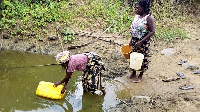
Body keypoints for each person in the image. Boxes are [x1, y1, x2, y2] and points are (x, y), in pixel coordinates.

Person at [128, 0, 155, 83]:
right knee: (133, 57)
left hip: (143, 41)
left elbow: (152, 31)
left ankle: (140, 75)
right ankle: (133, 72)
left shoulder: (148, 18)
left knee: (142, 58)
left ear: (143, 8)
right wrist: (131, 40)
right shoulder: (137, 17)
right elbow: (134, 30)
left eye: (138, 8)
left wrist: (141, 41)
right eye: (136, 7)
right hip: (135, 40)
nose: (136, 9)